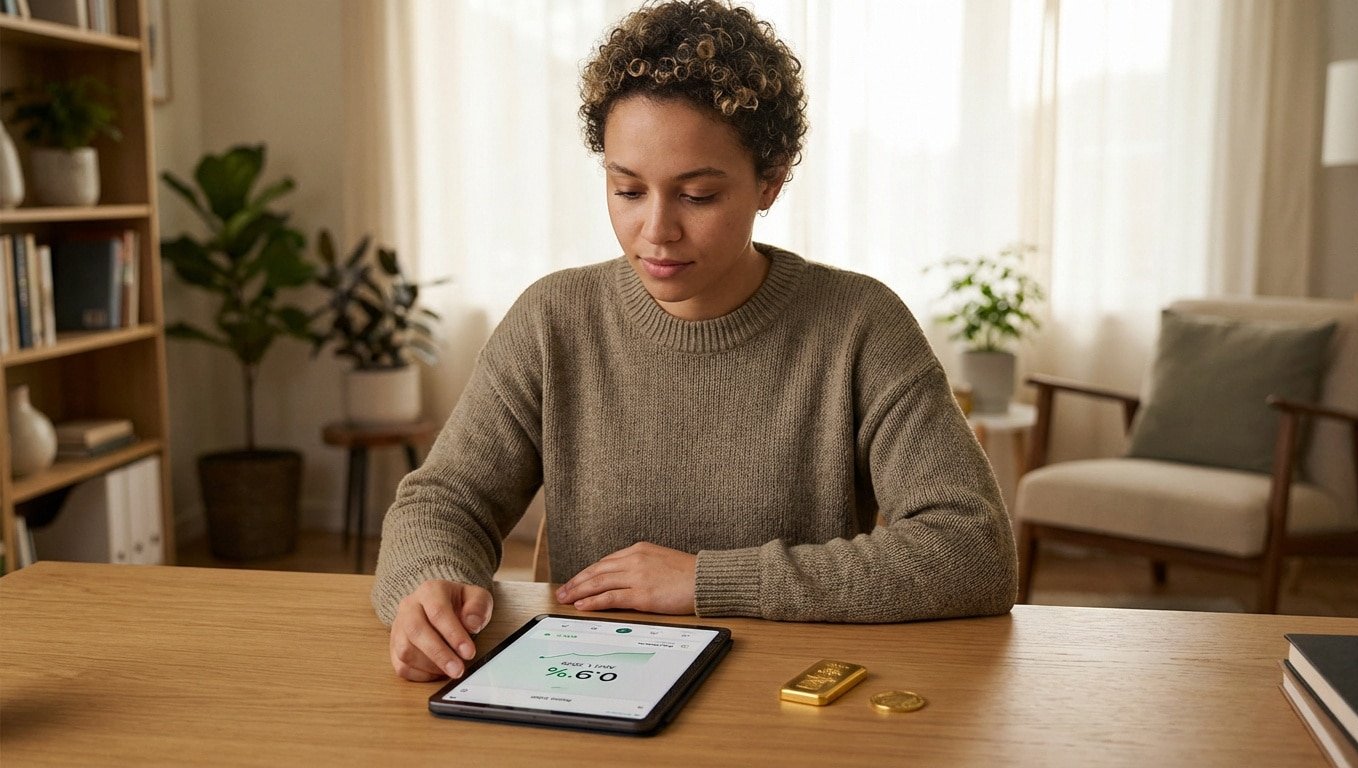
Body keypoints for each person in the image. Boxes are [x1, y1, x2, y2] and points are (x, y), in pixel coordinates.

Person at [374, 0, 1017, 683]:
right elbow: (444, 503)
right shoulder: (553, 319)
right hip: (595, 694)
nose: (656, 230)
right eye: (627, 189)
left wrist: (709, 581)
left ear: (770, 180)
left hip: (791, 702)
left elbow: (971, 551)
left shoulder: (858, 324)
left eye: (698, 196)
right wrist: (429, 583)